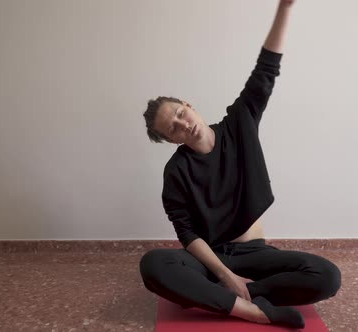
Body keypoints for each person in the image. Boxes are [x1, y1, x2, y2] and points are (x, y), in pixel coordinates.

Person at [140, 0, 341, 329]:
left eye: (179, 113)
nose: (182, 124)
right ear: (172, 140)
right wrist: (224, 273)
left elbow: (265, 71)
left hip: (255, 255)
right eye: (172, 128)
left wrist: (286, 8)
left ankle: (227, 296)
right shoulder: (176, 172)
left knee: (327, 276)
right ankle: (253, 310)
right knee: (154, 265)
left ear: (188, 105)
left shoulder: (239, 124)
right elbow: (187, 234)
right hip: (212, 260)